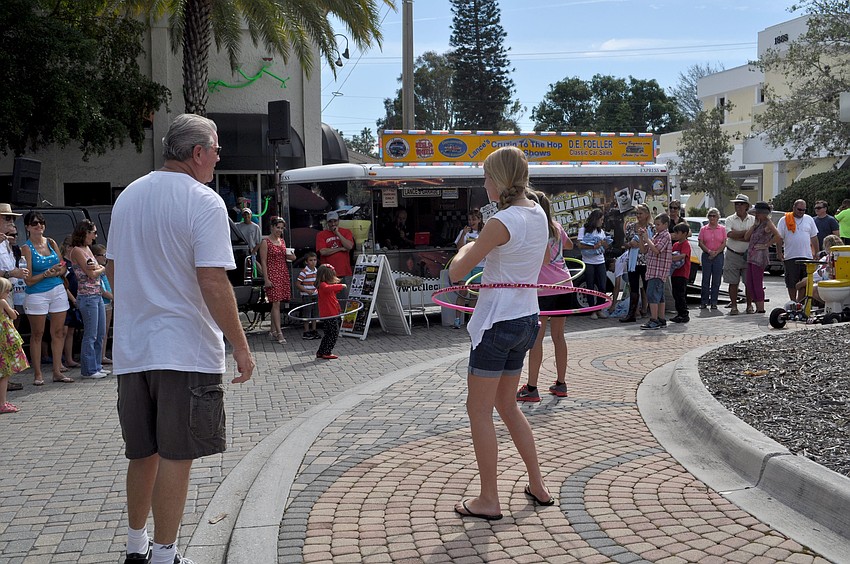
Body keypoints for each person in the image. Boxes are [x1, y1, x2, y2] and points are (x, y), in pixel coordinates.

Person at [106, 113, 254, 564]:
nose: (218, 158)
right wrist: (242, 347)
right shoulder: (203, 201)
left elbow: (112, 269)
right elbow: (212, 281)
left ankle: (137, 546)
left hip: (134, 350)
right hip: (183, 348)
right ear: (197, 153)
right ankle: (167, 555)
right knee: (176, 454)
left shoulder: (129, 195)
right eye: (216, 150)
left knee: (143, 452)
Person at [448, 146, 553, 521]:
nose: (484, 183)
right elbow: (540, 260)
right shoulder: (538, 212)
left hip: (497, 322)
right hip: (526, 319)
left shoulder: (502, 221)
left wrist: (468, 247)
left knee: (478, 410)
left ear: (500, 180)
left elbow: (458, 273)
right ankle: (537, 484)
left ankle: (489, 499)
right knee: (507, 406)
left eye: (486, 176)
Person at [516, 191, 573, 402]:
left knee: (537, 339)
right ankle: (561, 383)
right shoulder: (556, 226)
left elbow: (545, 259)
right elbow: (568, 245)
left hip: (544, 289)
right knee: (559, 336)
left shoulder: (537, 229)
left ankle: (531, 387)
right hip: (564, 284)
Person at [21, 211, 71, 385]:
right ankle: (38, 374)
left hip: (57, 289)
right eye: (34, 223)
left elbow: (63, 265)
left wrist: (59, 271)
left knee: (58, 332)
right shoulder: (26, 248)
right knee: (37, 334)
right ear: (27, 227)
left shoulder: (51, 242)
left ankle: (57, 371)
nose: (39, 226)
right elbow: (28, 280)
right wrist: (45, 274)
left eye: (41, 223)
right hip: (37, 294)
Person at [70, 220, 108, 379]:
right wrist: (101, 268)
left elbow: (97, 268)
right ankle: (88, 369)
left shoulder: (87, 249)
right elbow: (91, 273)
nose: (95, 236)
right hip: (87, 296)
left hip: (97, 294)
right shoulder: (77, 250)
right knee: (91, 334)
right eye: (93, 232)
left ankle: (97, 365)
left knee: (100, 333)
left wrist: (99, 268)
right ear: (85, 232)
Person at [0, 205, 28, 391]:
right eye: (7, 219)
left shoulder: (6, 243)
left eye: (12, 219)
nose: (12, 223)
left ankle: (5, 380)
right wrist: (12, 272)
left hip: (8, 292)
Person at [259, 216, 295, 344]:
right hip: (272, 274)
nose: (279, 230)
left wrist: (291, 256)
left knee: (278, 303)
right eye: (277, 227)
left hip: (283, 273)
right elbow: (263, 261)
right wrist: (266, 279)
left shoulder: (282, 241)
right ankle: (279, 333)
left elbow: (286, 257)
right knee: (276, 303)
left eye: (281, 228)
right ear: (272, 227)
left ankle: (272, 330)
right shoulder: (265, 242)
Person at [776, 199, 818, 301]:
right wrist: (779, 252)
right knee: (791, 282)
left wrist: (816, 252)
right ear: (794, 207)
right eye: (799, 209)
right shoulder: (784, 220)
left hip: (806, 257)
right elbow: (779, 237)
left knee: (804, 281)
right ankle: (793, 302)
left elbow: (814, 237)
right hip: (791, 256)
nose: (801, 212)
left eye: (804, 210)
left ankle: (800, 302)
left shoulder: (809, 219)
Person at [744, 201, 781, 314]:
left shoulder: (768, 223)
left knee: (757, 282)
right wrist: (753, 226)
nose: (756, 215)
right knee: (749, 282)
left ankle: (760, 307)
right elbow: (746, 237)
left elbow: (778, 236)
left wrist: (766, 245)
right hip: (751, 255)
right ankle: (757, 304)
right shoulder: (757, 223)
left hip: (759, 256)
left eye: (758, 213)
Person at [639, 212, 672, 329]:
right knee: (660, 296)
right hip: (652, 271)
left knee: (652, 295)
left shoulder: (666, 236)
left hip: (658, 272)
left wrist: (647, 239)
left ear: (665, 225)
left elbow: (657, 250)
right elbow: (644, 250)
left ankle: (654, 319)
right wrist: (641, 238)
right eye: (655, 224)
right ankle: (661, 319)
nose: (656, 227)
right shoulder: (656, 236)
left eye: (658, 224)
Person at [620, 204, 652, 322]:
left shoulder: (651, 227)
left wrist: (640, 243)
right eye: (637, 213)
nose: (638, 216)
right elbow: (625, 243)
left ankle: (652, 312)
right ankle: (632, 313)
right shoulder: (631, 227)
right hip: (633, 261)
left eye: (640, 213)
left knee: (648, 287)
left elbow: (652, 243)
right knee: (633, 287)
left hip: (646, 261)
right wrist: (629, 245)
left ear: (647, 215)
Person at [453, 209, 485, 328]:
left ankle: (471, 321)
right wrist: (463, 234)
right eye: (470, 219)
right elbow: (459, 248)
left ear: (479, 220)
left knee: (474, 294)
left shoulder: (484, 232)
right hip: (465, 265)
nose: (471, 222)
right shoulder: (464, 232)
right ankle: (457, 320)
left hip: (480, 265)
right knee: (462, 291)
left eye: (474, 219)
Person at [576, 208, 610, 319]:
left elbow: (605, 246)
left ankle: (599, 308)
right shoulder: (584, 230)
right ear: (595, 219)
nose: (602, 222)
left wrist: (605, 243)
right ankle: (592, 310)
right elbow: (580, 245)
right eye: (601, 219)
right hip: (588, 261)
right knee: (590, 285)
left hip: (600, 261)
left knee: (602, 285)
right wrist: (592, 246)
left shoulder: (601, 231)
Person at [724, 194, 755, 315]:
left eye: (741, 203)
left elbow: (754, 237)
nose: (738, 206)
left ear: (747, 206)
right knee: (733, 282)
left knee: (749, 282)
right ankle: (734, 306)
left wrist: (739, 235)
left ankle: (749, 305)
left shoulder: (753, 220)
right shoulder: (729, 219)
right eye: (736, 204)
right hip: (732, 254)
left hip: (749, 255)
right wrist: (746, 234)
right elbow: (730, 235)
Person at [0, 278, 27, 413]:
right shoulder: (2, 302)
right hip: (5, 340)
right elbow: (13, 316)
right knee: (5, 373)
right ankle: (2, 402)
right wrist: (12, 311)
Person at [793, 234, 843, 305]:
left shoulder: (830, 259)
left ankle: (799, 306)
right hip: (825, 281)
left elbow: (817, 276)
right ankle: (800, 307)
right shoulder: (827, 258)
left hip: (831, 284)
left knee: (806, 285)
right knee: (804, 284)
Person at [316, 211, 354, 291]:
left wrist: (337, 233)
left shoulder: (346, 232)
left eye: (335, 221)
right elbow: (323, 252)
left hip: (344, 271)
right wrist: (340, 249)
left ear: (338, 220)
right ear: (327, 222)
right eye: (330, 221)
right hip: (328, 274)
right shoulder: (321, 234)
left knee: (345, 298)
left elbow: (349, 246)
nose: (333, 224)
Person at [315, 264, 346, 360]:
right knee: (333, 333)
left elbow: (330, 291)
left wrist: (336, 288)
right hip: (330, 314)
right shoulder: (323, 285)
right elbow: (328, 289)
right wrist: (341, 285)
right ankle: (327, 352)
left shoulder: (325, 286)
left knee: (328, 334)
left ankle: (321, 352)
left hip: (331, 313)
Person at [60, 236, 82, 371]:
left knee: (71, 331)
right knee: (63, 330)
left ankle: (69, 358)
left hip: (76, 299)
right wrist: (73, 299)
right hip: (66, 299)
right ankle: (62, 359)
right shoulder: (63, 262)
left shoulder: (75, 262)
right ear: (69, 247)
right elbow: (63, 283)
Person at [698, 208, 726, 310]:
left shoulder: (722, 229)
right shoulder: (703, 229)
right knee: (705, 279)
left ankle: (714, 301)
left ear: (718, 217)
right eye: (710, 216)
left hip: (718, 256)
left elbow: (724, 243)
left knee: (716, 280)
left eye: (714, 216)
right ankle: (704, 302)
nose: (712, 218)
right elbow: (700, 243)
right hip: (706, 255)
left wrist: (716, 252)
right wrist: (709, 252)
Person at [92, 244, 113, 364]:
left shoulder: (105, 268)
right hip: (102, 301)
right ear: (95, 256)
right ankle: (98, 356)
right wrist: (114, 298)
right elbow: (102, 290)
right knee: (99, 331)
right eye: (102, 255)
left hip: (108, 302)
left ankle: (103, 355)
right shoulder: (97, 269)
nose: (105, 258)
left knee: (105, 331)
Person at [670, 223, 691, 323]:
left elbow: (682, 256)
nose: (675, 235)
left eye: (677, 233)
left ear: (684, 233)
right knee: (675, 293)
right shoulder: (675, 244)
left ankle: (684, 314)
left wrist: (670, 258)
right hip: (675, 273)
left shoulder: (686, 244)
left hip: (683, 273)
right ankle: (679, 313)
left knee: (680, 294)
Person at [296, 251, 320, 340]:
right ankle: (306, 331)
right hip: (307, 295)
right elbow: (298, 284)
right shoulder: (304, 272)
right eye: (311, 260)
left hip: (315, 294)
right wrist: (306, 290)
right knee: (307, 313)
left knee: (315, 313)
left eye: (315, 260)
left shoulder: (317, 271)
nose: (313, 262)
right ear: (306, 262)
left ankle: (314, 330)